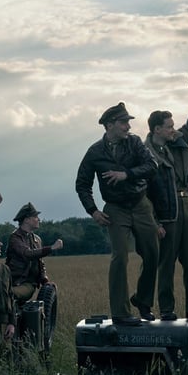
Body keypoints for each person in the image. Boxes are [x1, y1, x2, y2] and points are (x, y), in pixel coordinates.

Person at [75, 102, 159, 326]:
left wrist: (127, 174)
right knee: (120, 256)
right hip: (115, 209)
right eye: (123, 122)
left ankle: (142, 300)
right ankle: (121, 313)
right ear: (109, 125)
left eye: (129, 122)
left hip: (140, 204)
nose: (128, 126)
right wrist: (92, 211)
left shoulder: (134, 142)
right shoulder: (94, 152)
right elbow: (82, 184)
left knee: (152, 254)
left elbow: (152, 166)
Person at [144, 83, 188, 321]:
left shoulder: (176, 141)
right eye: (169, 127)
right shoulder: (144, 153)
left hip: (187, 204)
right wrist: (155, 222)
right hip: (165, 212)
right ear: (157, 129)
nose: (174, 130)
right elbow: (144, 193)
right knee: (166, 264)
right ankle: (166, 310)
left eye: (174, 126)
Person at [6, 202, 63, 304]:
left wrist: (45, 280)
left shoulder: (37, 239)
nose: (39, 219)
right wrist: (51, 248)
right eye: (35, 217)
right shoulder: (15, 238)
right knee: (7, 293)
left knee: (9, 293)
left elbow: (40, 262)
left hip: (28, 283)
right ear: (27, 220)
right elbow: (27, 254)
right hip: (17, 281)